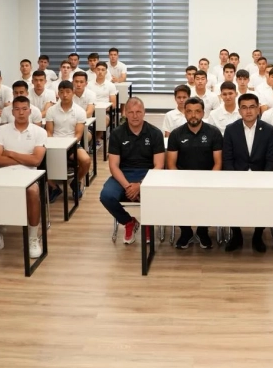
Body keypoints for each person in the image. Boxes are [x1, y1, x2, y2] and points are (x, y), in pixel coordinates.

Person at [99, 98, 165, 244]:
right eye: (131, 112)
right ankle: (129, 222)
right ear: (125, 113)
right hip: (123, 174)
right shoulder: (117, 133)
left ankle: (147, 223)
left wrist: (141, 185)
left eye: (138, 112)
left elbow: (159, 165)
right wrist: (128, 187)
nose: (135, 116)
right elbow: (113, 166)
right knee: (106, 196)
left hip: (148, 174)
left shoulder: (155, 133)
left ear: (144, 113)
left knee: (154, 194)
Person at [0, 96, 48, 259]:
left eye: (24, 109)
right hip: (3, 171)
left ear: (30, 111)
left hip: (29, 173)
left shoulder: (39, 132)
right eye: (17, 109)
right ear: (12, 111)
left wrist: (10, 153)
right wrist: (25, 157)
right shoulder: (1, 131)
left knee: (33, 191)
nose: (21, 112)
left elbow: (36, 161)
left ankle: (33, 238)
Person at [222, 93, 273, 253]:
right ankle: (236, 235)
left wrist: (264, 179)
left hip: (261, 177)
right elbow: (228, 158)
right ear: (239, 111)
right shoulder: (231, 129)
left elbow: (271, 159)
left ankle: (258, 235)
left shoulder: (268, 130)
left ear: (258, 109)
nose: (248, 111)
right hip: (236, 176)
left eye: (252, 107)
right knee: (231, 202)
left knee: (263, 204)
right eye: (244, 108)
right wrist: (233, 179)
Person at [166, 97, 224, 249]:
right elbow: (171, 164)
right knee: (175, 198)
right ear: (184, 113)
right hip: (182, 180)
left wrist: (209, 182)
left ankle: (202, 231)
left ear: (203, 113)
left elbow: (218, 162)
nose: (193, 115)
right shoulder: (176, 134)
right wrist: (181, 182)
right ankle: (186, 232)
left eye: (197, 111)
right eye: (189, 111)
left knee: (211, 198)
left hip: (208, 179)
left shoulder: (214, 133)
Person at [45, 81, 91, 199]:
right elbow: (49, 132)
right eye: (61, 92)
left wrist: (67, 146)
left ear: (73, 93)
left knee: (86, 160)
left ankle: (76, 181)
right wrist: (54, 146)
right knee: (39, 160)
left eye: (68, 92)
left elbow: (78, 135)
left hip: (72, 145)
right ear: (58, 94)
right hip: (54, 144)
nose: (64, 95)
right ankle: (54, 187)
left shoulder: (80, 111)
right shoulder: (51, 110)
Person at [90, 62, 117, 137]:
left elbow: (113, 104)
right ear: (95, 71)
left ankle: (97, 139)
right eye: (98, 69)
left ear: (106, 72)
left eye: (103, 70)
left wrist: (103, 109)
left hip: (105, 111)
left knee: (103, 120)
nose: (100, 72)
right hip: (91, 110)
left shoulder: (111, 85)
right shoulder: (89, 84)